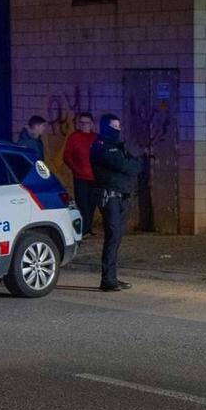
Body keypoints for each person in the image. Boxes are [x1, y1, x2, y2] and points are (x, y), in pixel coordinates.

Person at [90, 112, 141, 292]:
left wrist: (129, 164)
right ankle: (107, 280)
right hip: (109, 196)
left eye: (119, 126)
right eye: (115, 127)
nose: (118, 130)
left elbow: (136, 166)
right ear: (106, 128)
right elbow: (122, 165)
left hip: (122, 196)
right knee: (112, 236)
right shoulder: (101, 146)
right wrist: (128, 165)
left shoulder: (119, 147)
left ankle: (112, 277)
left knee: (117, 237)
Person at [60, 114, 97, 238]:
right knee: (83, 204)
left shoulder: (95, 137)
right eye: (81, 122)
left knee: (92, 204)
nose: (84, 125)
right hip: (80, 177)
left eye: (86, 122)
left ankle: (88, 228)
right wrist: (75, 169)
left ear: (92, 124)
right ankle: (83, 229)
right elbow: (67, 156)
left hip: (94, 178)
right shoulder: (74, 137)